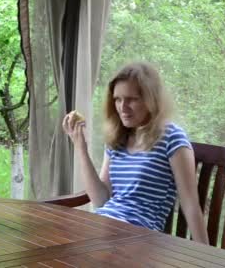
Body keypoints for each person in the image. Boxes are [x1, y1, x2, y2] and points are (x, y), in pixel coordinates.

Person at [62, 61, 209, 244]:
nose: (122, 108)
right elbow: (101, 200)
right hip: (104, 227)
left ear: (150, 100)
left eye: (131, 99)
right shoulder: (118, 138)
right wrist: (80, 148)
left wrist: (207, 256)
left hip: (138, 238)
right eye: (117, 99)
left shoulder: (172, 138)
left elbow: (190, 205)